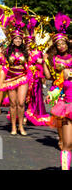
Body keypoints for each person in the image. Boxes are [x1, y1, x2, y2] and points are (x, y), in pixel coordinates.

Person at [0, 8, 31, 136]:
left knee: (21, 103)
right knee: (12, 104)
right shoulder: (7, 51)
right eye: (16, 39)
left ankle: (21, 127)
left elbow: (32, 63)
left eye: (20, 39)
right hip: (10, 78)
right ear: (12, 40)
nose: (18, 41)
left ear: (22, 40)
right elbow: (0, 60)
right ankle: (13, 126)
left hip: (23, 78)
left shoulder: (26, 52)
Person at [43, 13, 72, 150]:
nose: (61, 46)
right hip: (58, 89)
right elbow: (48, 77)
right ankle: (62, 139)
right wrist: (44, 62)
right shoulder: (53, 59)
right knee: (59, 118)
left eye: (63, 43)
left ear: (67, 43)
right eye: (58, 44)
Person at [24, 17, 51, 126]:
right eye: (27, 43)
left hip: (35, 78)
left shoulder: (37, 53)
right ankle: (24, 114)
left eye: (30, 42)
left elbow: (41, 66)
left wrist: (41, 62)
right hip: (24, 77)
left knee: (34, 96)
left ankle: (32, 114)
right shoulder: (23, 53)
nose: (28, 44)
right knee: (24, 97)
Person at [47, 68, 72, 170]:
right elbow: (59, 87)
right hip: (68, 109)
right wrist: (52, 95)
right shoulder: (67, 72)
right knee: (68, 144)